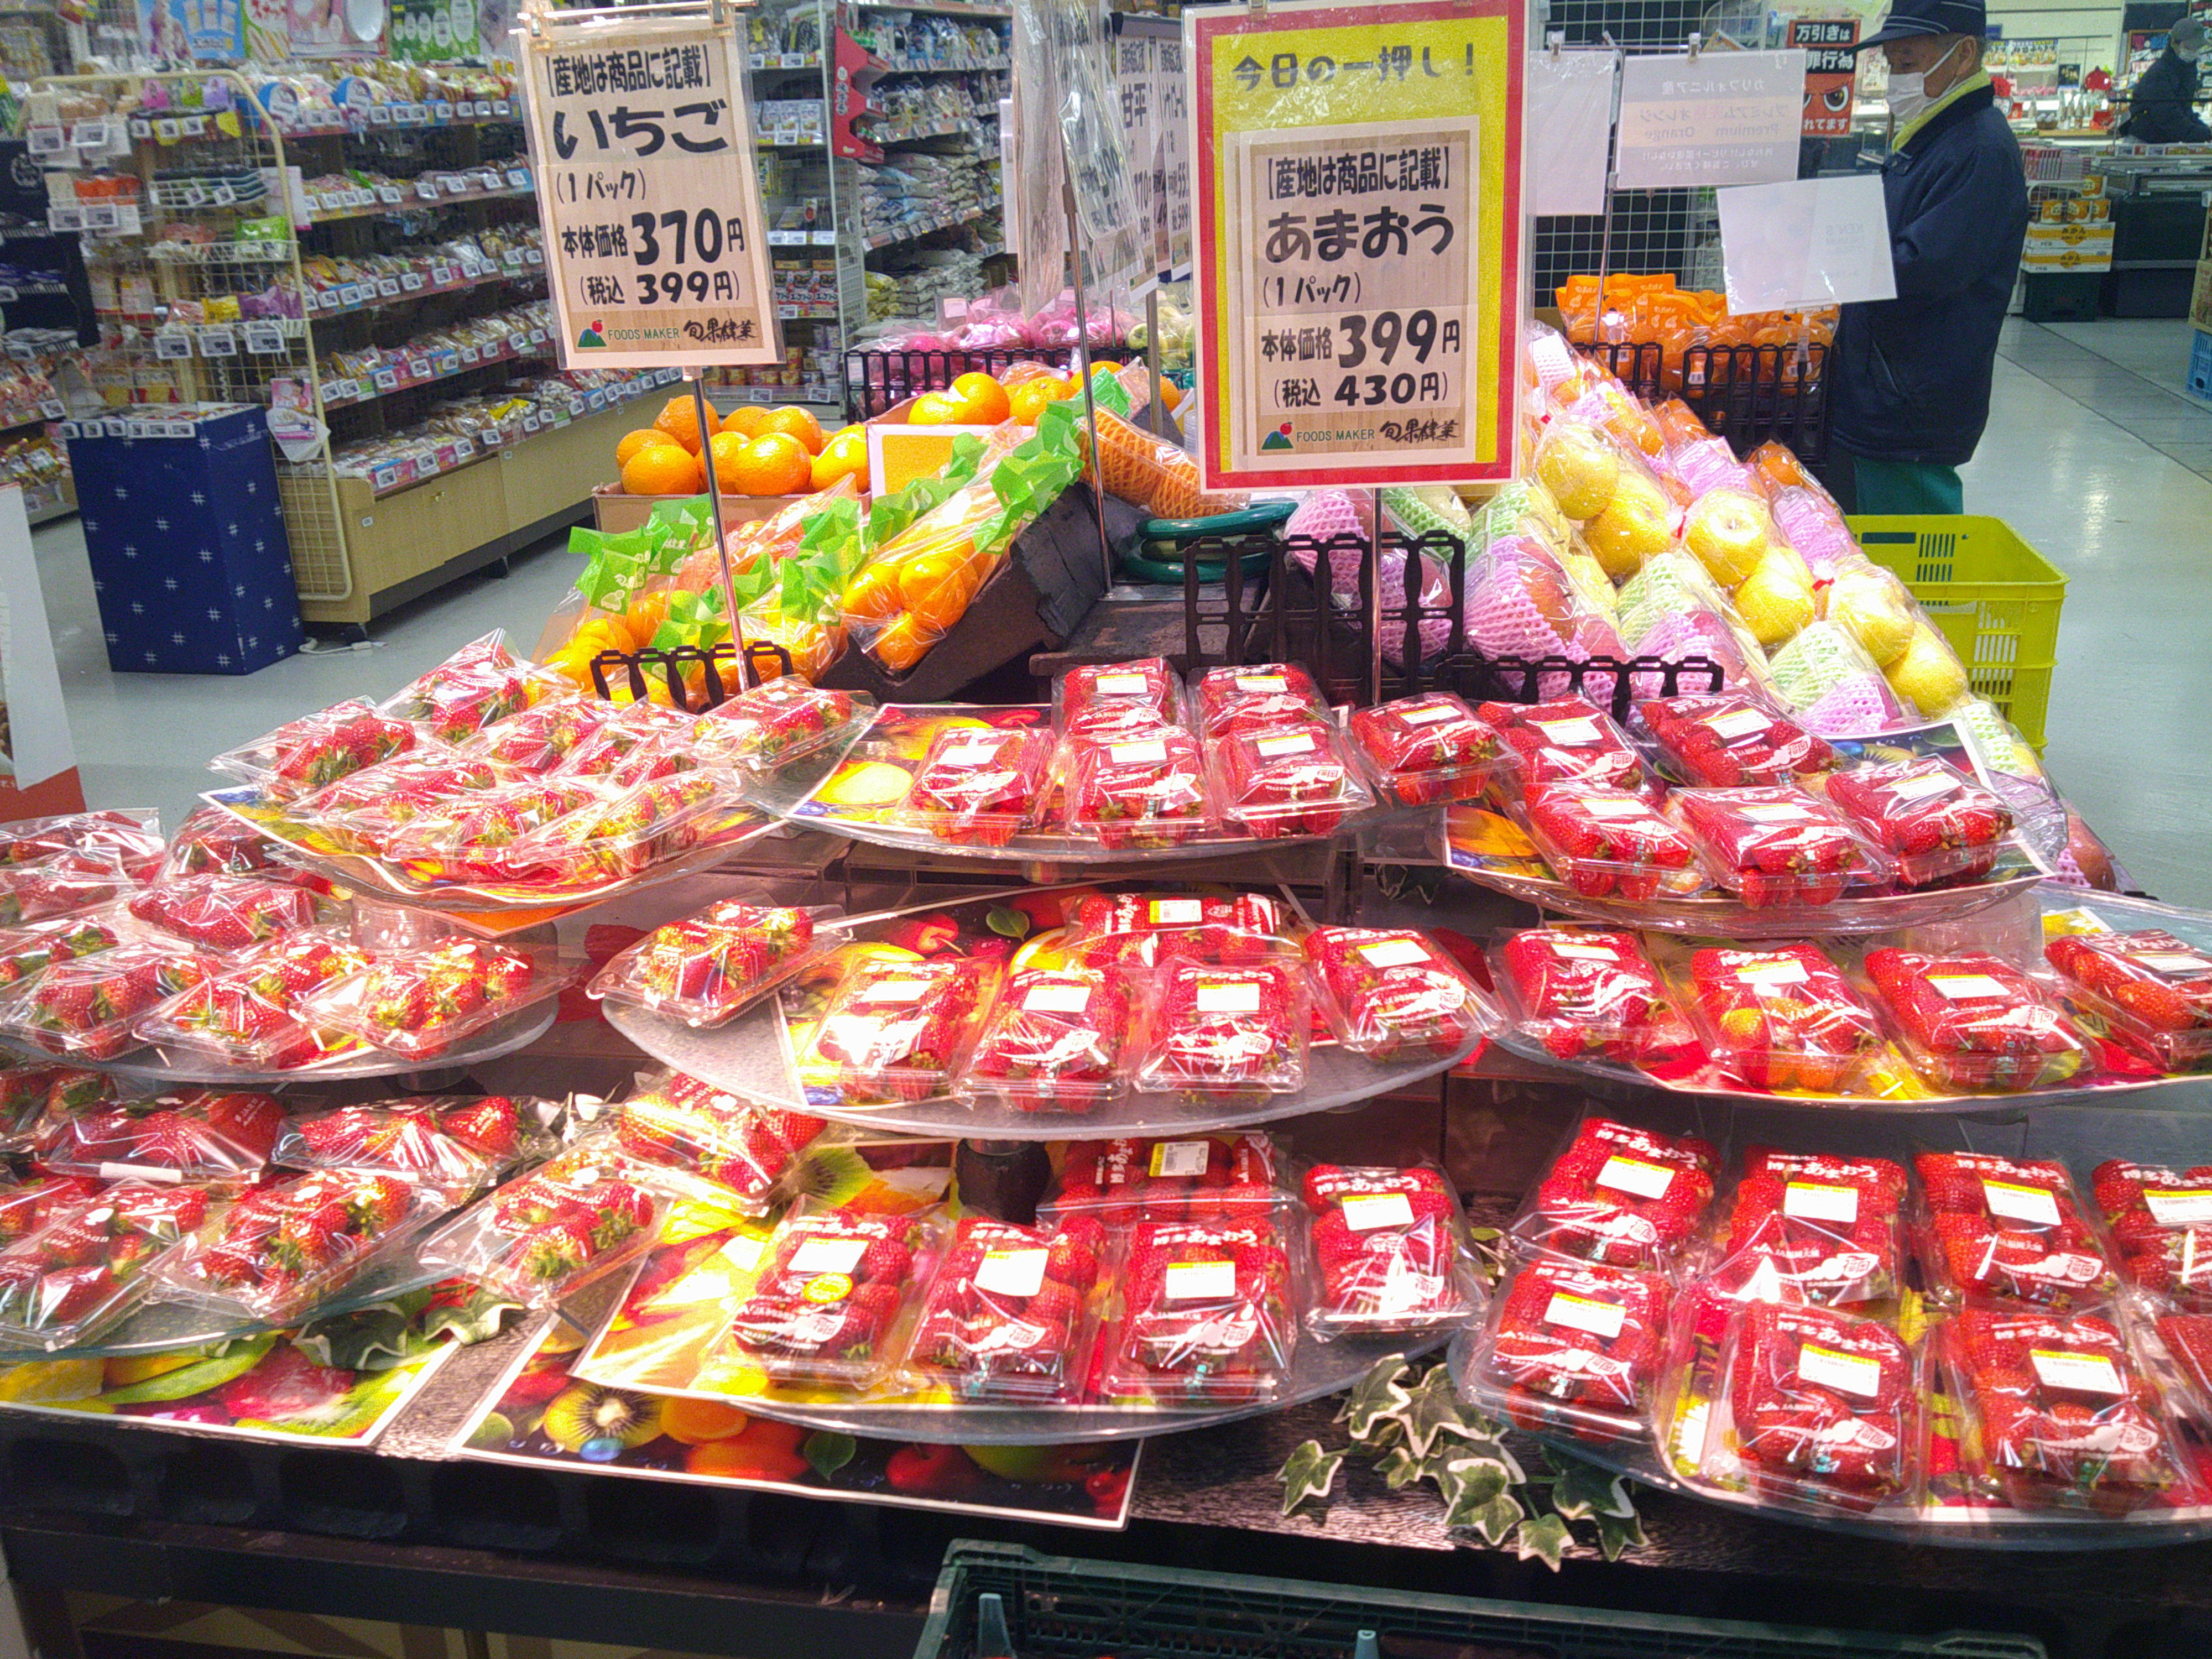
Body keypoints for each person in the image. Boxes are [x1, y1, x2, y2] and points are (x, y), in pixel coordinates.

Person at [1827, 0, 2028, 515]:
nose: (1897, 80)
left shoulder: (1979, 149)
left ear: (1963, 55)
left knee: (1909, 556)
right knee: (1868, 547)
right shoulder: (1931, 136)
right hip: (1884, 391)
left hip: (1912, 405)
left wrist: (1820, 260)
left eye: (1909, 63)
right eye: (1892, 65)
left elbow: (1924, 267)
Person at [2123, 16, 2211, 143]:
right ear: (2175, 43)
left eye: (2198, 47)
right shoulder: (2160, 72)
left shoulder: (2188, 70)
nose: (2195, 51)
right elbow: (2166, 115)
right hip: (2144, 141)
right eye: (2190, 46)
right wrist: (2202, 133)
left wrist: (2204, 131)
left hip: (2164, 140)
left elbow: (2184, 111)